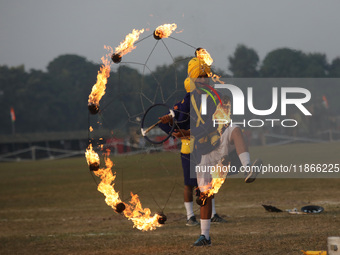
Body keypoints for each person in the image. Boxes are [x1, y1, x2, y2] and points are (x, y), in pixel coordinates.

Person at [183, 57, 261, 247]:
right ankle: (205, 236)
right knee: (205, 195)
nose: (204, 79)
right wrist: (172, 125)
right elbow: (178, 121)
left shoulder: (218, 97)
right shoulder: (188, 100)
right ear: (193, 79)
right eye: (200, 76)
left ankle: (247, 167)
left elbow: (218, 122)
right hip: (203, 153)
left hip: (218, 143)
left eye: (206, 76)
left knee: (235, 129)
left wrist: (190, 131)